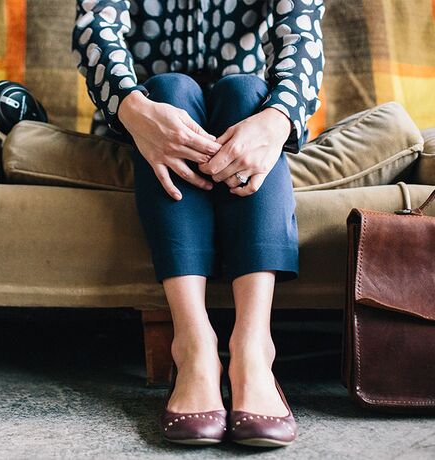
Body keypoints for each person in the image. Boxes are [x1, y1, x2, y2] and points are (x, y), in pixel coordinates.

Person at [72, 0, 325, 448]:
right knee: (169, 87)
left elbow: (301, 35)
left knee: (246, 89)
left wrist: (277, 119)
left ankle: (253, 347)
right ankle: (193, 346)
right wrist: (135, 109)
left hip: (247, 123)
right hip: (142, 122)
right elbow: (97, 29)